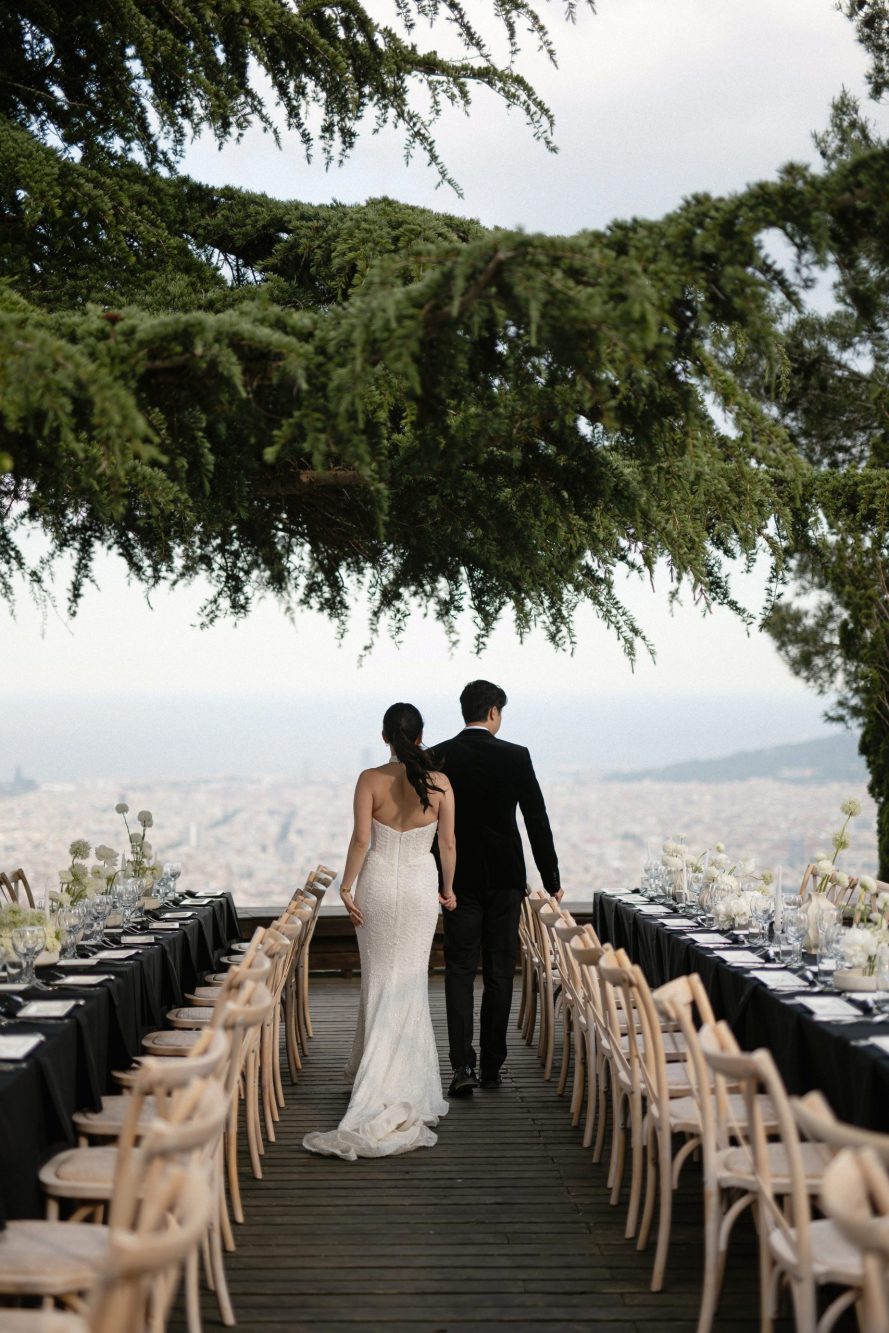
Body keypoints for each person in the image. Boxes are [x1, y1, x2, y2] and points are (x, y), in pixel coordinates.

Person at [302, 701, 457, 1160]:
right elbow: (447, 842)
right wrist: (448, 891)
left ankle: (375, 1076)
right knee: (410, 980)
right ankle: (409, 1081)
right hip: (418, 887)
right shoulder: (441, 783)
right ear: (421, 733)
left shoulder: (370, 779)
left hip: (378, 889)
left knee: (379, 978)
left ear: (386, 735)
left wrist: (346, 885)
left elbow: (360, 840)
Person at [431, 680, 562, 1098]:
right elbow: (536, 819)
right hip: (505, 878)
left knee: (460, 970)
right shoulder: (515, 756)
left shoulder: (439, 756)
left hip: (458, 880)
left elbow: (427, 825)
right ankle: (491, 1065)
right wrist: (552, 880)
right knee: (501, 971)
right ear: (493, 713)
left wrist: (435, 877)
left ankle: (461, 1065)